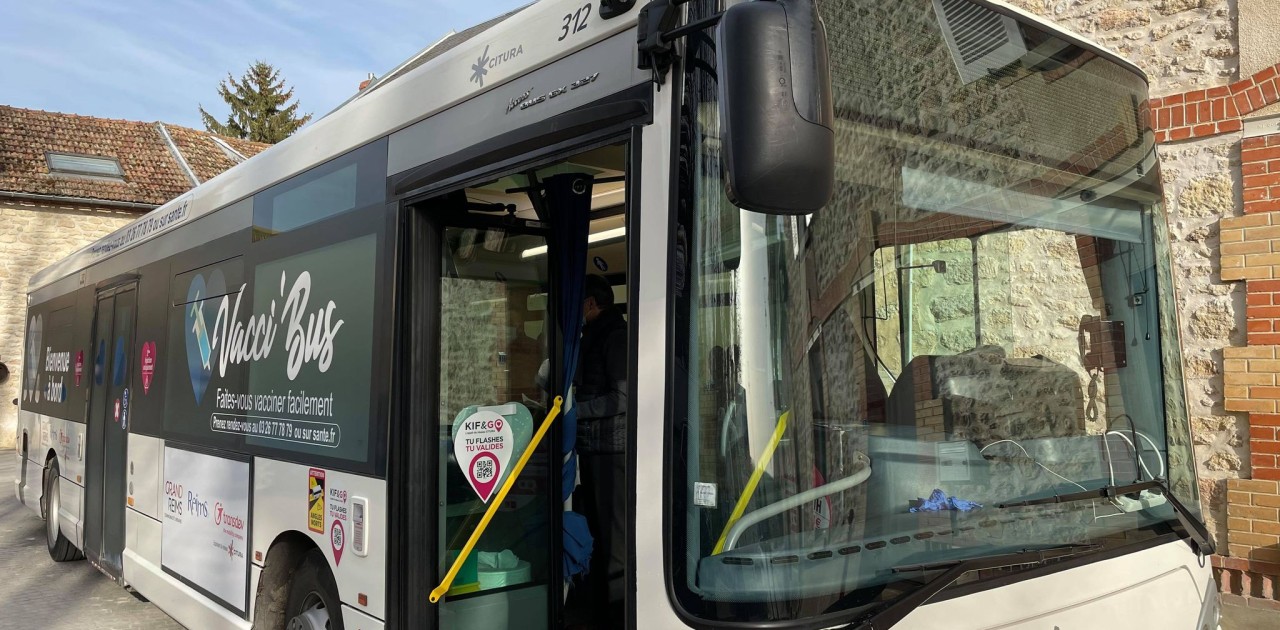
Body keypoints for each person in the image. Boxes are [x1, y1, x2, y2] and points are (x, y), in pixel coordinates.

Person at [572, 274, 627, 627]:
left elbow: (621, 398)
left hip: (612, 453)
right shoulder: (591, 338)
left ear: (591, 304)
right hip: (592, 449)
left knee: (614, 540)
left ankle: (617, 614)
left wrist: (578, 411)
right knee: (595, 535)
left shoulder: (615, 337)